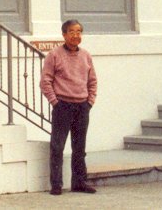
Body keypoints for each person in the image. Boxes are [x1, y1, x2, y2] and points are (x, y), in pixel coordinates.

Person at [39, 19, 98, 195]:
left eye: (79, 31)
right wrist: (55, 102)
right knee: (57, 146)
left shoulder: (86, 56)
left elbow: (92, 81)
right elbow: (45, 81)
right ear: (64, 34)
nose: (76, 35)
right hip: (62, 106)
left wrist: (90, 101)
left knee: (79, 147)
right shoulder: (54, 55)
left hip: (82, 106)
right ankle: (56, 184)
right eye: (71, 31)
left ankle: (80, 182)